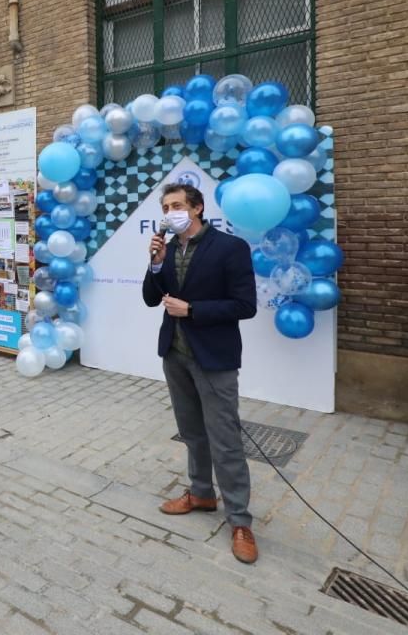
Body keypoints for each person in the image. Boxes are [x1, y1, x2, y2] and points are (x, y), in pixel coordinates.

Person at [143, 182, 259, 565]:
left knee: (225, 439)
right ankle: (201, 494)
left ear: (196, 208)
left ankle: (240, 521)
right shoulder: (168, 247)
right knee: (192, 432)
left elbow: (245, 306)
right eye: (165, 206)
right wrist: (155, 264)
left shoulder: (230, 248)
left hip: (214, 358)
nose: (170, 211)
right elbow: (150, 297)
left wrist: (192, 310)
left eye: (177, 204)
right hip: (174, 355)